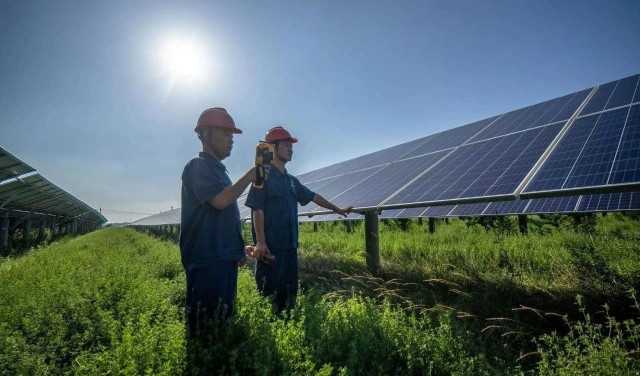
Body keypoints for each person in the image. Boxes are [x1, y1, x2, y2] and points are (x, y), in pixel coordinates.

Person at [245, 126, 352, 314]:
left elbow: (313, 196)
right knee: (269, 297)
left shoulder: (292, 181)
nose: (291, 149)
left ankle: (287, 325)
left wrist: (337, 209)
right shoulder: (262, 176)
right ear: (272, 148)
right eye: (286, 145)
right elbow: (257, 208)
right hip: (272, 250)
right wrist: (260, 242)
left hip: (291, 248)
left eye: (291, 146)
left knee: (289, 296)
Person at [179, 107, 259, 337]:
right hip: (206, 262)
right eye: (226, 133)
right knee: (207, 329)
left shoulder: (219, 171)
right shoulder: (197, 166)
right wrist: (249, 176)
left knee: (223, 323)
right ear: (205, 134)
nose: (231, 140)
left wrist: (236, 250)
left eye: (232, 135)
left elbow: (221, 217)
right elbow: (220, 201)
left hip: (221, 259)